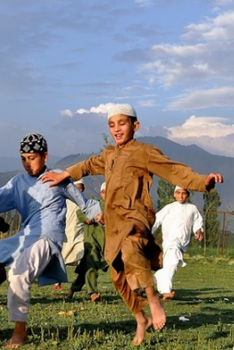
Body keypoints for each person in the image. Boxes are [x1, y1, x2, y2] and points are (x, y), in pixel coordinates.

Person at [42, 103, 223, 345]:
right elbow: (87, 165)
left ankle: (153, 298)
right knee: (118, 276)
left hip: (136, 217)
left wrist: (204, 182)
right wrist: (65, 174)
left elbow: (175, 172)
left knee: (131, 247)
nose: (116, 129)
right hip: (114, 223)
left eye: (122, 123)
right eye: (112, 125)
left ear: (135, 126)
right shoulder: (108, 155)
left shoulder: (145, 152)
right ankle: (141, 318)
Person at [0, 133, 102, 348]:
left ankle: (20, 333)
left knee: (19, 273)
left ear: (45, 156)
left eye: (32, 158)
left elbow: (83, 203)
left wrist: (97, 213)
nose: (27, 164)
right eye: (23, 158)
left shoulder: (57, 177)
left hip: (47, 237)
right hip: (26, 236)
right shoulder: (18, 183)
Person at [152, 186, 204, 301]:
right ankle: (166, 291)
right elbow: (156, 221)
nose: (181, 196)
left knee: (170, 267)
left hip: (182, 245)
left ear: (188, 195)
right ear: (174, 194)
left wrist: (198, 231)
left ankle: (145, 284)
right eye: (178, 193)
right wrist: (148, 233)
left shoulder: (192, 208)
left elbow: (197, 222)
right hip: (171, 242)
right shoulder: (169, 208)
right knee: (172, 263)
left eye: (184, 193)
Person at [66, 182, 108, 302]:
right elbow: (80, 213)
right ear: (101, 193)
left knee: (85, 269)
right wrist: (87, 219)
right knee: (91, 266)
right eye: (105, 192)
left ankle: (73, 289)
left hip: (108, 243)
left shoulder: (115, 207)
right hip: (92, 240)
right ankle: (93, 293)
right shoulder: (94, 205)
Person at [53, 179, 85, 291]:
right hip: (66, 235)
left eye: (81, 188)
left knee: (83, 256)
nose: (79, 190)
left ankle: (80, 282)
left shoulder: (85, 202)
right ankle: (57, 282)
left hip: (80, 234)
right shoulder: (65, 202)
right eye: (77, 188)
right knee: (63, 259)